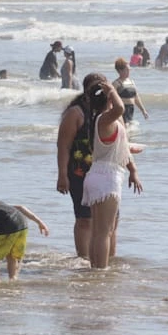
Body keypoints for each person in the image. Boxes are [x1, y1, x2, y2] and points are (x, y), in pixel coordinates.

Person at [81, 80, 143, 268]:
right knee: (104, 232)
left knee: (98, 231)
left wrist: (133, 170)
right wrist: (112, 90)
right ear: (108, 100)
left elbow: (119, 147)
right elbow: (120, 108)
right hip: (107, 177)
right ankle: (101, 270)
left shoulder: (103, 121)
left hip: (97, 175)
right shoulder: (105, 118)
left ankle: (95, 268)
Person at [57, 73, 107, 259]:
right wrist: (62, 174)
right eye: (96, 87)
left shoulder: (106, 111)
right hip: (79, 172)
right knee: (84, 218)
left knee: (107, 221)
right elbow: (63, 145)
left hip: (103, 173)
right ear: (87, 90)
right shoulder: (76, 113)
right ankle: (83, 259)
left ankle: (104, 259)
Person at [112, 57, 149, 124]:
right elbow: (111, 99)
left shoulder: (131, 82)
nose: (129, 72)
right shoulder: (116, 83)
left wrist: (143, 110)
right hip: (122, 109)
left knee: (130, 127)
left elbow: (136, 97)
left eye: (129, 70)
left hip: (131, 109)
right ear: (120, 71)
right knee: (124, 127)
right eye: (127, 70)